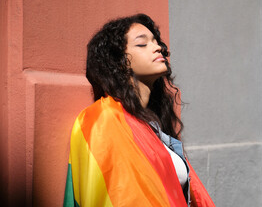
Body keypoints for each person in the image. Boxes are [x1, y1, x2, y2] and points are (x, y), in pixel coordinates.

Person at [63, 13, 215, 207]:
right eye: (142, 44)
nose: (158, 47)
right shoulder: (104, 119)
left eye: (155, 41)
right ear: (119, 62)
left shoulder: (153, 125)